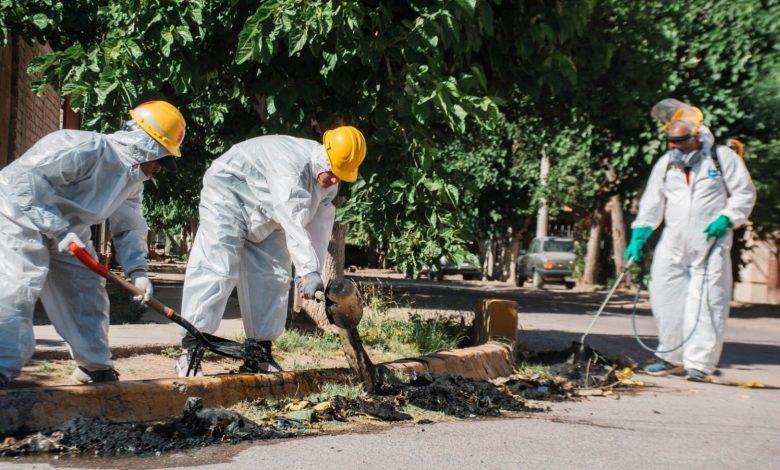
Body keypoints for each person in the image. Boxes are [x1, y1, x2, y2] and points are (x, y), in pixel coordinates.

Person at [0, 101, 186, 388]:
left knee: (86, 290)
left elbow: (129, 226)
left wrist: (138, 271)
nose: (157, 168)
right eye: (159, 158)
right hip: (19, 217)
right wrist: (58, 229)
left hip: (70, 232)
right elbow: (21, 184)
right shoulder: (82, 147)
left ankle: (94, 366)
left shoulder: (131, 181)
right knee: (17, 287)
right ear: (143, 143)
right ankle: (2, 366)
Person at [175, 126, 367, 376]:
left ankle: (259, 354)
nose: (334, 180)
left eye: (341, 176)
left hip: (268, 210)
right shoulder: (293, 165)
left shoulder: (329, 183)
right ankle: (191, 351)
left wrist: (312, 273)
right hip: (229, 194)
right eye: (332, 172)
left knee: (273, 276)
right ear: (324, 155)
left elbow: (319, 227)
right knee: (217, 267)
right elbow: (292, 217)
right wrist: (307, 269)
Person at [626, 99, 756, 382]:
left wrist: (728, 218)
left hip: (710, 243)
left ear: (696, 137)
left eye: (681, 142)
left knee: (707, 302)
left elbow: (744, 193)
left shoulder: (721, 158)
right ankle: (670, 356)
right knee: (665, 299)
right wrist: (640, 233)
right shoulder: (666, 165)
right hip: (673, 243)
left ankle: (699, 363)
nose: (676, 148)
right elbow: (652, 202)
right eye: (671, 142)